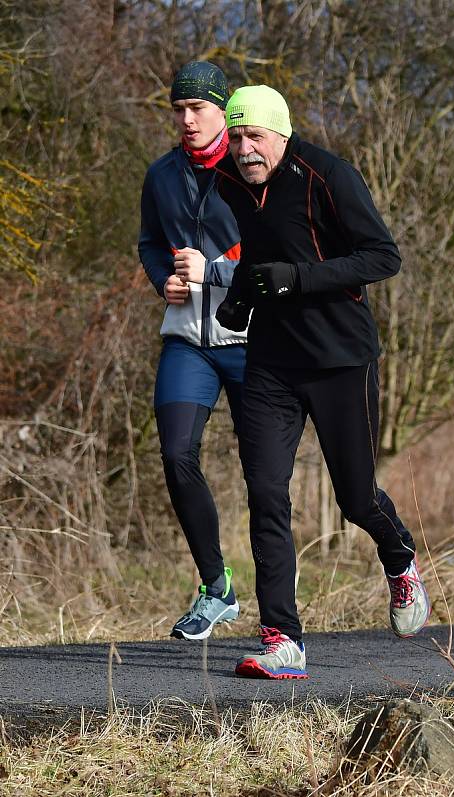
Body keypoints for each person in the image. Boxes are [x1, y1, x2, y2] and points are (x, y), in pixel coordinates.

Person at [213, 85, 430, 679]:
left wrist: (299, 280)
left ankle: (400, 557)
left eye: (254, 136)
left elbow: (383, 257)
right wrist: (240, 298)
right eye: (234, 138)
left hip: (341, 359)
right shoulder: (232, 183)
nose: (243, 149)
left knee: (356, 499)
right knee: (264, 491)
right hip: (271, 365)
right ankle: (284, 639)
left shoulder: (327, 175)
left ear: (282, 134)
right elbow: (261, 252)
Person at [138, 61, 245, 640]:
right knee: (177, 454)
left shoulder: (251, 168)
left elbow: (275, 253)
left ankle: (281, 609)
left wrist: (218, 271)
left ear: (222, 111)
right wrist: (165, 282)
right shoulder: (161, 174)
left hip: (251, 339)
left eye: (197, 108)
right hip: (187, 338)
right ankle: (215, 587)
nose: (186, 119)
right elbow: (151, 241)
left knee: (265, 473)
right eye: (178, 109)